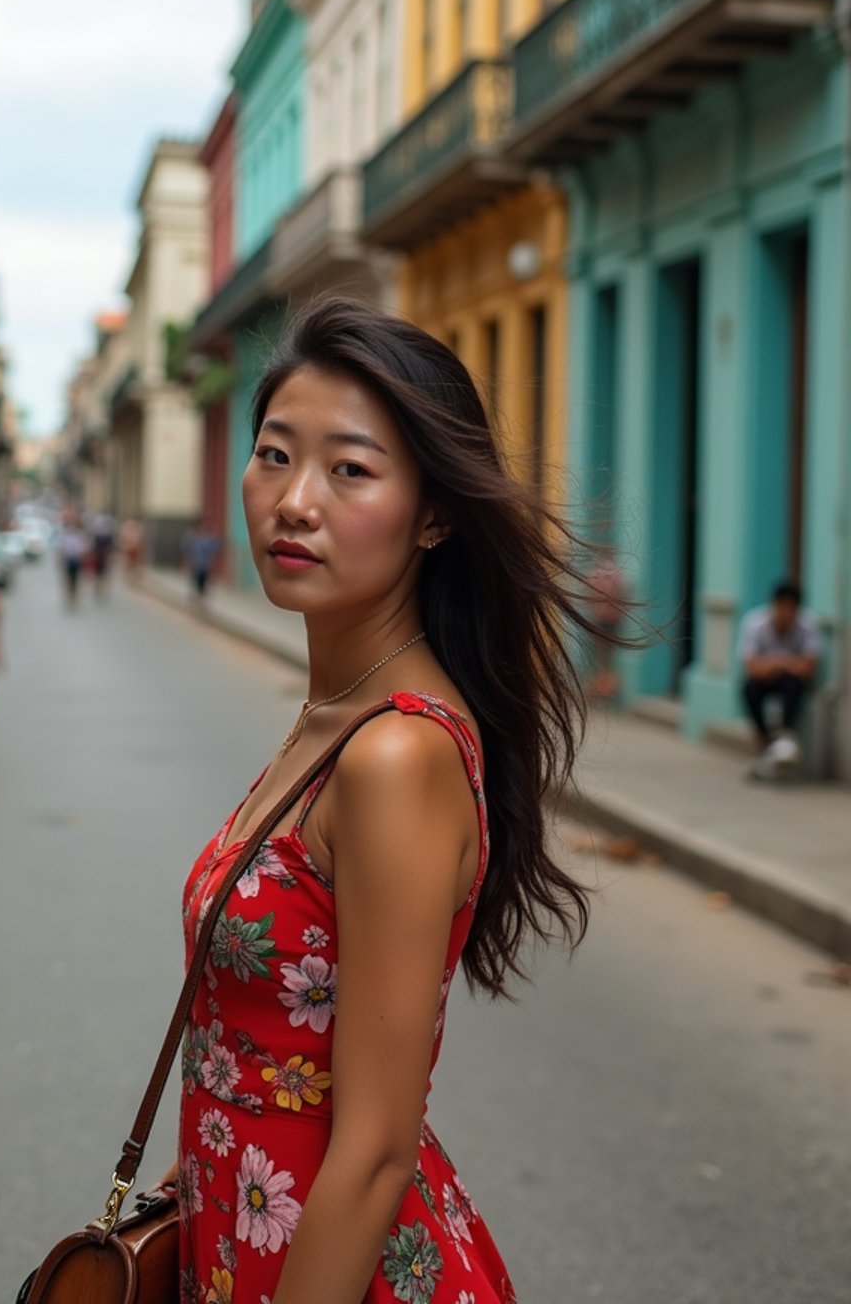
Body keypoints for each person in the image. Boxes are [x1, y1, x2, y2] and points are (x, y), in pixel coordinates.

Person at [158, 298, 598, 1304]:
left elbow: (373, 1148)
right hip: (248, 1229)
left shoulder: (394, 754)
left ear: (434, 512)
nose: (293, 501)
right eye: (273, 454)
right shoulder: (334, 717)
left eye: (348, 469)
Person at [738, 579, 820, 778]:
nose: (785, 613)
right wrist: (785, 663)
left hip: (790, 681)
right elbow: (751, 666)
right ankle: (765, 739)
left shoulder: (808, 625)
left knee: (793, 684)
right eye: (781, 606)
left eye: (790, 608)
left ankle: (784, 734)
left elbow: (808, 667)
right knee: (750, 689)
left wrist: (778, 663)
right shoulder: (755, 622)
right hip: (764, 680)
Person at [585, 545, 629, 699]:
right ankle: (607, 687)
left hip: (600, 617)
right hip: (615, 618)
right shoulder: (617, 573)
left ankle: (604, 688)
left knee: (601, 655)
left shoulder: (595, 574)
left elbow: (589, 592)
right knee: (608, 655)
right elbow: (624, 593)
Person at [181, 520, 220, 599]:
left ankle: (200, 597)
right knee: (195, 581)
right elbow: (187, 551)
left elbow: (215, 551)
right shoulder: (194, 539)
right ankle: (196, 596)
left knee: (202, 583)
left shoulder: (209, 540)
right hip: (196, 565)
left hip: (204, 566)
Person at [58, 516, 88, 608]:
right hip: (69, 560)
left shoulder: (80, 536)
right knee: (68, 580)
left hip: (76, 560)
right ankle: (69, 596)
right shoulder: (66, 536)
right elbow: (62, 549)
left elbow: (83, 550)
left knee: (75, 580)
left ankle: (74, 597)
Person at [89, 511, 117, 597]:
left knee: (104, 573)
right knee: (99, 573)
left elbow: (112, 546)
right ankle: (98, 588)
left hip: (104, 557)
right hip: (99, 557)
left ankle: (103, 589)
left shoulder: (107, 536)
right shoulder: (98, 536)